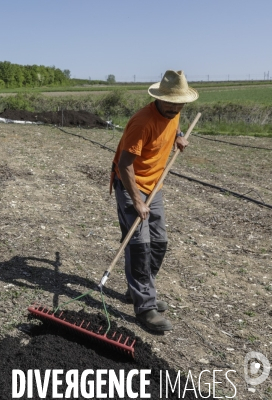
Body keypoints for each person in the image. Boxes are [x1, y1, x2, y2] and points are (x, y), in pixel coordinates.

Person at [110, 70, 198, 332]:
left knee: (159, 243)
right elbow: (125, 165)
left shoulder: (175, 111)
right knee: (139, 245)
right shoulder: (142, 122)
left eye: (179, 102)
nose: (174, 106)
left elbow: (174, 125)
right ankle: (145, 308)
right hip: (131, 185)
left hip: (155, 185)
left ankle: (137, 290)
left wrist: (179, 136)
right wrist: (137, 201)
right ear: (159, 98)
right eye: (169, 101)